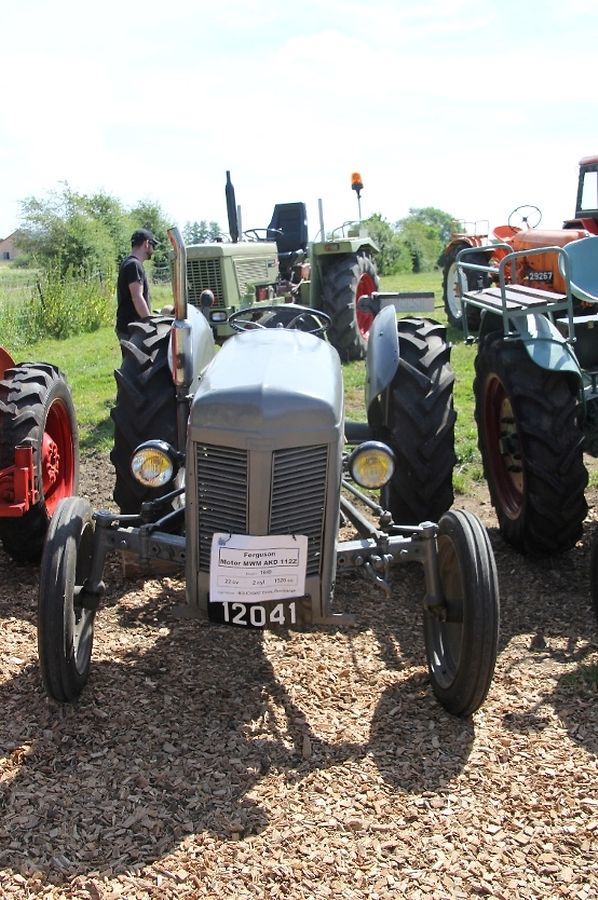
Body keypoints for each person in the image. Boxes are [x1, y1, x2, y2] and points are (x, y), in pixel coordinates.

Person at [115, 228, 158, 343]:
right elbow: (137, 297)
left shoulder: (127, 263)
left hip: (128, 326)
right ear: (146, 243)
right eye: (153, 245)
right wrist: (150, 323)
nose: (153, 250)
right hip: (133, 329)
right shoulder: (134, 265)